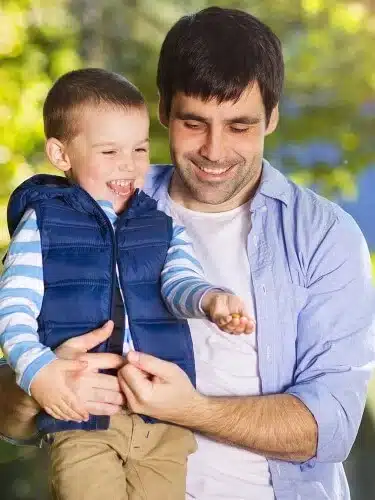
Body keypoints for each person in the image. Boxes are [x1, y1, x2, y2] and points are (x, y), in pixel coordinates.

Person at [0, 6, 374, 500]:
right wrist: (47, 378)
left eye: (240, 126)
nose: (215, 150)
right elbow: (9, 413)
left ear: (272, 117)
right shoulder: (96, 206)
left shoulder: (324, 235)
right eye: (194, 123)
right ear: (163, 112)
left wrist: (189, 408)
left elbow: (332, 428)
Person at [0, 67, 255, 500]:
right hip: (85, 417)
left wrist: (210, 299)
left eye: (139, 148)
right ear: (61, 154)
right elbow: (12, 310)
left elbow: (179, 282)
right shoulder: (42, 224)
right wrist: (39, 373)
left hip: (161, 421)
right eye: (110, 151)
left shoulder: (160, 223)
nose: (130, 164)